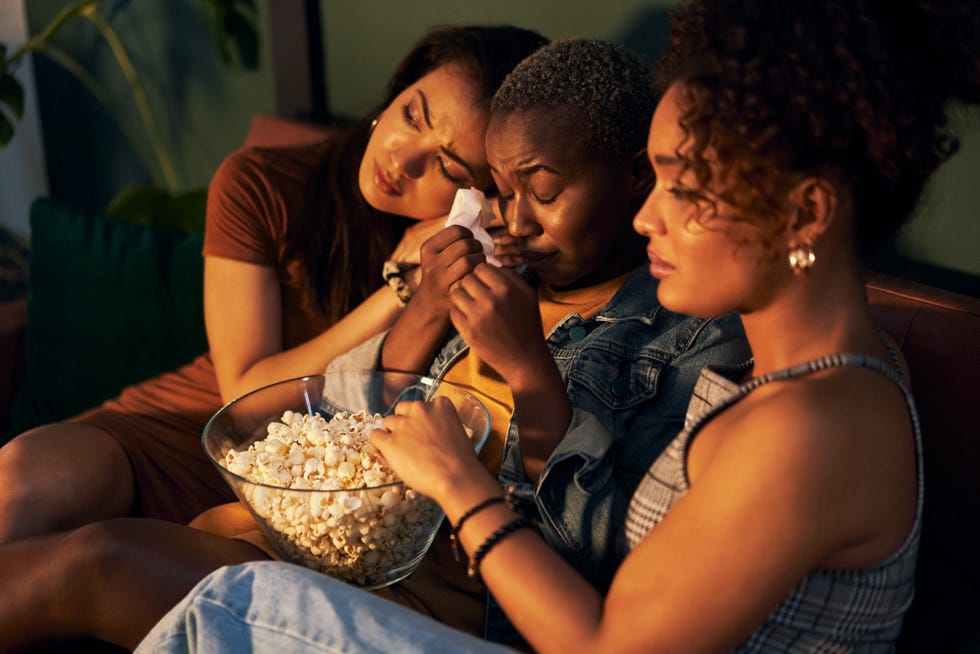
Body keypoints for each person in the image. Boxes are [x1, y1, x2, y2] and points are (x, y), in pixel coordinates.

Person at [136, 0, 979, 652]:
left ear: (807, 214)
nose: (649, 218)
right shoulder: (785, 380)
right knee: (180, 561)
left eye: (682, 187)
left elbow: (605, 641)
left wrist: (462, 491)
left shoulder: (815, 423)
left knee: (210, 598)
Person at [0, 24, 548, 652]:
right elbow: (244, 391)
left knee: (93, 566)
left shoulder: (475, 261)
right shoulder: (262, 182)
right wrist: (398, 289)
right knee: (21, 479)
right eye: (411, 114)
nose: (403, 157)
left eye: (447, 166)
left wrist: (451, 263)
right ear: (396, 93)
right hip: (186, 423)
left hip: (311, 487)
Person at [205, 37, 749, 646]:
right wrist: (426, 307)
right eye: (503, 191)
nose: (516, 222)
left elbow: (603, 562)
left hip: (473, 597)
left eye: (542, 193)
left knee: (120, 566)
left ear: (635, 179)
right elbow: (341, 418)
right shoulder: (504, 273)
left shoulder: (689, 337)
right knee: (190, 534)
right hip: (371, 534)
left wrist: (530, 370)